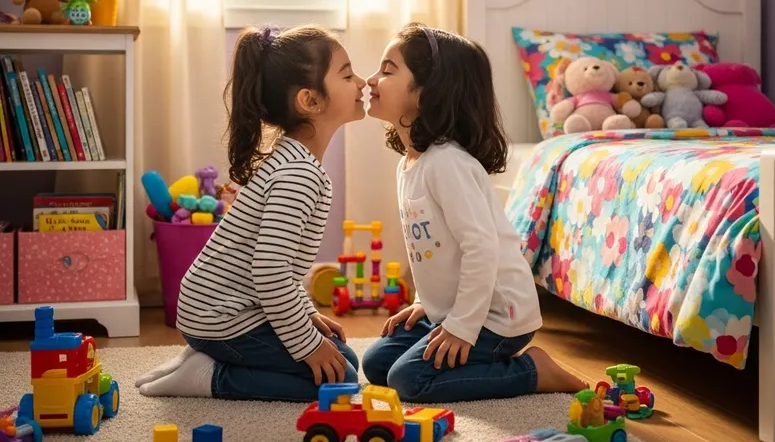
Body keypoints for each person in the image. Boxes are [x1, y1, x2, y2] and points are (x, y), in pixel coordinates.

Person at [136, 24, 366, 400]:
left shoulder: (293, 161)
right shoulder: (298, 174)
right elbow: (270, 271)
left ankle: (207, 356)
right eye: (347, 74)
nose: (361, 82)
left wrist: (306, 313)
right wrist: (308, 345)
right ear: (310, 101)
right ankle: (210, 376)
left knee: (340, 358)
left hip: (217, 310)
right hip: (220, 317)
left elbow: (281, 268)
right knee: (341, 377)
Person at [361, 23, 587, 402]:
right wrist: (422, 303)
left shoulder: (447, 163)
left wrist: (462, 328)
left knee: (409, 381)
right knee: (377, 364)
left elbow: (480, 248)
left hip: (497, 318)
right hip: (455, 310)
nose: (371, 80)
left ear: (427, 92)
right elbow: (437, 251)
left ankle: (532, 370)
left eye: (387, 70)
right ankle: (456, 335)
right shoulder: (411, 163)